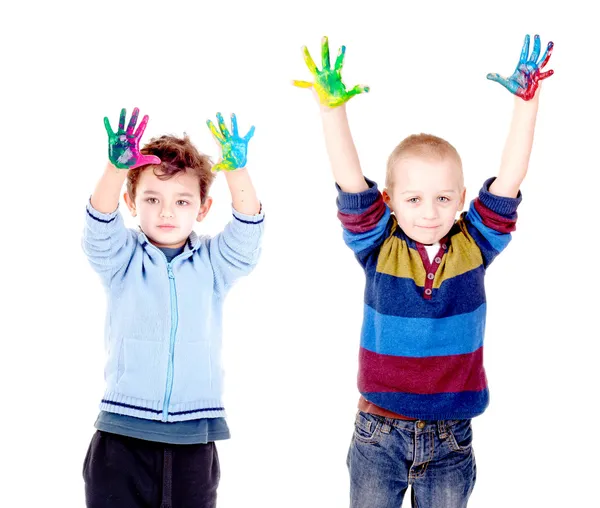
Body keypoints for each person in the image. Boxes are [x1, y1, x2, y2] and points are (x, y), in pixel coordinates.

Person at [294, 34, 553, 507]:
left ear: (461, 199)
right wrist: (332, 110)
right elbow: (351, 183)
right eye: (414, 199)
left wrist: (527, 104)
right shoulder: (378, 245)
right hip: (378, 433)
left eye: (442, 198)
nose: (429, 212)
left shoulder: (474, 245)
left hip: (451, 441)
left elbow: (511, 179)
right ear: (391, 202)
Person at [81, 107, 264, 507]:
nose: (166, 211)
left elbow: (247, 240)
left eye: (182, 201)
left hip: (193, 442)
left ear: (201, 209)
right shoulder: (122, 259)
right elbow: (98, 229)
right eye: (152, 198)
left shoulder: (213, 264)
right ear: (131, 201)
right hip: (120, 440)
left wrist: (236, 171)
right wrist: (115, 170)